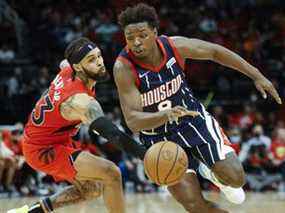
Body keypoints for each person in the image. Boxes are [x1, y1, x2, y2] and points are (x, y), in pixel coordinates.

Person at [113, 3, 282, 213]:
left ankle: (208, 169)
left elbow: (214, 52)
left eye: (142, 35)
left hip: (192, 121)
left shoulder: (174, 46)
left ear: (155, 32)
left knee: (236, 179)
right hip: (158, 137)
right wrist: (165, 115)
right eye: (130, 38)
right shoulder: (124, 67)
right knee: (193, 204)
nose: (136, 42)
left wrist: (256, 74)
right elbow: (132, 120)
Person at [8, 37, 146, 213]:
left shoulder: (69, 69)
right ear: (78, 67)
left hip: (51, 138)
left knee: (92, 189)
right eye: (91, 60)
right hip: (43, 149)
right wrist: (144, 154)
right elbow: (111, 133)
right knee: (112, 173)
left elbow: (64, 63)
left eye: (98, 56)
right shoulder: (79, 101)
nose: (100, 63)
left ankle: (31, 212)